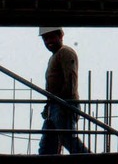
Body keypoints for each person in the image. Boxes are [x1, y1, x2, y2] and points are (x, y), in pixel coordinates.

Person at [38, 26, 90, 155]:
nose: (48, 41)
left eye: (51, 37)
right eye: (45, 38)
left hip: (64, 105)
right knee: (47, 146)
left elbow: (70, 81)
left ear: (61, 36)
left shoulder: (65, 52)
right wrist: (49, 105)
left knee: (68, 139)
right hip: (54, 106)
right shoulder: (54, 56)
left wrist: (63, 103)